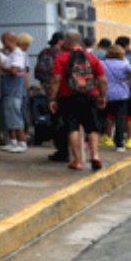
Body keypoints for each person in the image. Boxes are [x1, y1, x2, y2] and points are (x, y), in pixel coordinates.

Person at [48, 31, 108, 171]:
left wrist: (52, 98)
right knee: (92, 127)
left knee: (72, 128)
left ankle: (78, 161)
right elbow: (103, 80)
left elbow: (56, 80)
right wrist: (101, 96)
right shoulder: (92, 57)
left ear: (67, 42)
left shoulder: (61, 57)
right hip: (90, 96)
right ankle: (95, 155)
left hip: (68, 96)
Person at [35, 32, 71, 162]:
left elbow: (37, 73)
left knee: (55, 119)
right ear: (60, 41)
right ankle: (66, 151)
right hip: (61, 90)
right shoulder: (61, 54)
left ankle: (60, 149)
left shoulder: (43, 52)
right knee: (66, 121)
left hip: (48, 89)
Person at [101, 45, 131, 153]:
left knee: (105, 117)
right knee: (120, 119)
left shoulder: (102, 63)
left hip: (106, 93)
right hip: (121, 94)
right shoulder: (124, 63)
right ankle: (119, 144)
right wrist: (129, 80)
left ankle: (103, 137)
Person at [0, 32, 29, 153]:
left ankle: (22, 142)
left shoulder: (17, 54)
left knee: (16, 117)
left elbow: (14, 71)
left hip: (14, 91)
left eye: (4, 41)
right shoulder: (11, 54)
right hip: (8, 90)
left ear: (9, 40)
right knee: (10, 117)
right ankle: (13, 141)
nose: (3, 44)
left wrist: (0, 67)